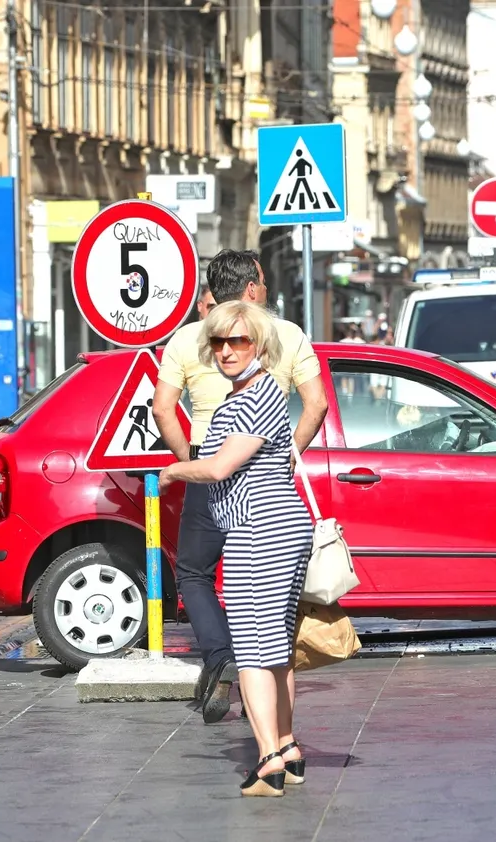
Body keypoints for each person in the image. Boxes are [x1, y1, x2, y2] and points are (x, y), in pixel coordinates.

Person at [152, 249, 328, 725]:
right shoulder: (285, 334)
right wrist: (285, 453)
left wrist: (187, 461)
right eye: (264, 284)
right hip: (267, 483)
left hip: (211, 474)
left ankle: (220, 655)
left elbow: (163, 407)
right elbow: (317, 404)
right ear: (252, 289)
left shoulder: (189, 338)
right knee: (272, 613)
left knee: (193, 572)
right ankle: (277, 736)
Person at [158, 301, 311, 797]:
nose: (227, 351)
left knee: (251, 651)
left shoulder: (254, 397)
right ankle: (286, 748)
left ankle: (267, 759)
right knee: (277, 649)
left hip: (259, 533)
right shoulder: (255, 392)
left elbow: (220, 467)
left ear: (260, 346)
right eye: (219, 342)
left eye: (238, 341)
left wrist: (174, 470)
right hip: (277, 528)